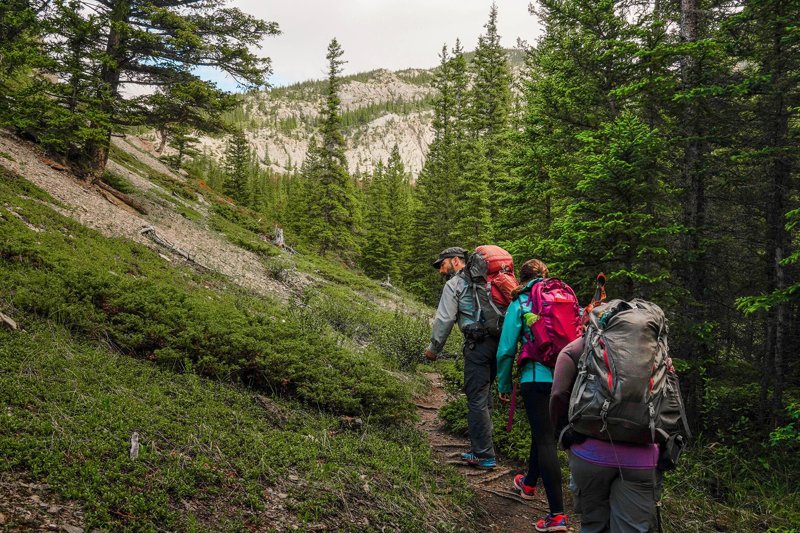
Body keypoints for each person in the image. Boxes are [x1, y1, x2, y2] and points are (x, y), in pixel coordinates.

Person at [550, 337, 661, 533]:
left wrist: (564, 434)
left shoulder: (578, 347)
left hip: (589, 454)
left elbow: (558, 393)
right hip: (642, 458)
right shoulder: (655, 348)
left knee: (594, 524)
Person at [496, 259, 569, 533]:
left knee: (546, 440)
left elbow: (505, 350)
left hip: (535, 378)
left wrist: (503, 384)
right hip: (564, 379)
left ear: (522, 279)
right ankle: (528, 483)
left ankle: (557, 516)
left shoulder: (521, 303)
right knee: (543, 433)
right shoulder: (560, 297)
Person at [424, 246, 498, 469]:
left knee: (476, 398)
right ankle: (486, 447)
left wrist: (433, 349)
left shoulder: (455, 284)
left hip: (477, 345)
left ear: (456, 260)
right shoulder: (487, 281)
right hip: (498, 342)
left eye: (443, 263)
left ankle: (483, 454)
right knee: (485, 396)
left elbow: (445, 319)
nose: (441, 270)